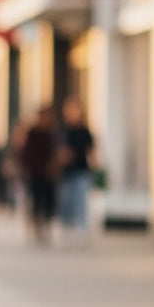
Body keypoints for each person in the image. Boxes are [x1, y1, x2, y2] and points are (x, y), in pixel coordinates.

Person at [57, 97, 97, 244]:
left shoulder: (84, 130)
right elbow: (57, 150)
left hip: (82, 170)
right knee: (67, 201)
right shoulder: (63, 130)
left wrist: (95, 166)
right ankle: (66, 228)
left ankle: (81, 229)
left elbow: (91, 150)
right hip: (66, 172)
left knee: (81, 200)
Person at [20, 104, 59, 244]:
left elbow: (57, 152)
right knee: (36, 201)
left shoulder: (52, 133)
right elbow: (26, 153)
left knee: (49, 201)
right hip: (35, 173)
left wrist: (54, 166)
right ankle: (38, 228)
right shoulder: (32, 132)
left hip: (49, 174)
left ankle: (46, 227)